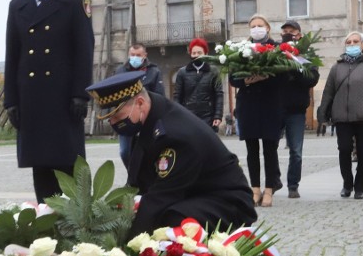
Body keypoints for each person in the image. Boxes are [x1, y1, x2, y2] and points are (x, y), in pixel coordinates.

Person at [86, 71, 256, 236]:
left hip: (227, 202)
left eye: (117, 115)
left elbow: (161, 198)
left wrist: (126, 244)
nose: (113, 122)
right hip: (194, 192)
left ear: (139, 103)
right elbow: (138, 183)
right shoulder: (149, 117)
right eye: (110, 118)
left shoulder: (175, 135)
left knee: (169, 219)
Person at [4, 0, 94, 202]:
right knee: (40, 166)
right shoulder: (18, 5)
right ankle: (45, 218)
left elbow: (84, 50)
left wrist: (81, 94)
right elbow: (13, 55)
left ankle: (77, 220)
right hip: (31, 98)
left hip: (64, 98)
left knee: (70, 165)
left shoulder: (74, 0)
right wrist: (11, 100)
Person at [317, 32, 363, 199]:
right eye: (349, 42)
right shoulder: (336, 67)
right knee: (344, 149)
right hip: (342, 116)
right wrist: (323, 115)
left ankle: (360, 187)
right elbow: (328, 92)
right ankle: (347, 184)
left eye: (356, 42)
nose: (352, 44)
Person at [228, 14, 284, 208]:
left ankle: (269, 189)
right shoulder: (241, 49)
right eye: (253, 26)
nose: (257, 29)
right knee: (252, 150)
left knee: (270, 149)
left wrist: (264, 76)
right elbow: (233, 78)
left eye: (260, 25)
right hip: (248, 105)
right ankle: (255, 189)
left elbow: (284, 75)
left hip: (270, 104)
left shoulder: (277, 49)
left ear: (268, 28)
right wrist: (248, 79)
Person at [279, 20, 320, 198]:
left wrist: (295, 65)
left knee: (296, 150)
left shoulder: (306, 55)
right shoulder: (275, 53)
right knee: (270, 148)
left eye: (292, 31)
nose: (289, 34)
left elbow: (311, 79)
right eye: (285, 31)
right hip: (276, 107)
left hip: (296, 109)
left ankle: (293, 185)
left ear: (299, 35)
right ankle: (273, 182)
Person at [115, 43, 164, 168]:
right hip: (126, 118)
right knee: (124, 152)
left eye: (138, 55)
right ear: (128, 55)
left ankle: (141, 179)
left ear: (145, 55)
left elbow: (159, 95)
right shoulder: (120, 71)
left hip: (145, 118)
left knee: (146, 152)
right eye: (132, 55)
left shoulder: (154, 71)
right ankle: (131, 176)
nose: (135, 58)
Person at [173, 38, 223, 133]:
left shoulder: (214, 71)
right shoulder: (182, 72)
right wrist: (177, 115)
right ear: (190, 54)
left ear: (206, 53)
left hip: (208, 115)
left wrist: (218, 115)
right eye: (194, 53)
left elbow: (219, 94)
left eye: (199, 53)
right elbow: (177, 95)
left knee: (208, 145)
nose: (196, 55)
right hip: (188, 115)